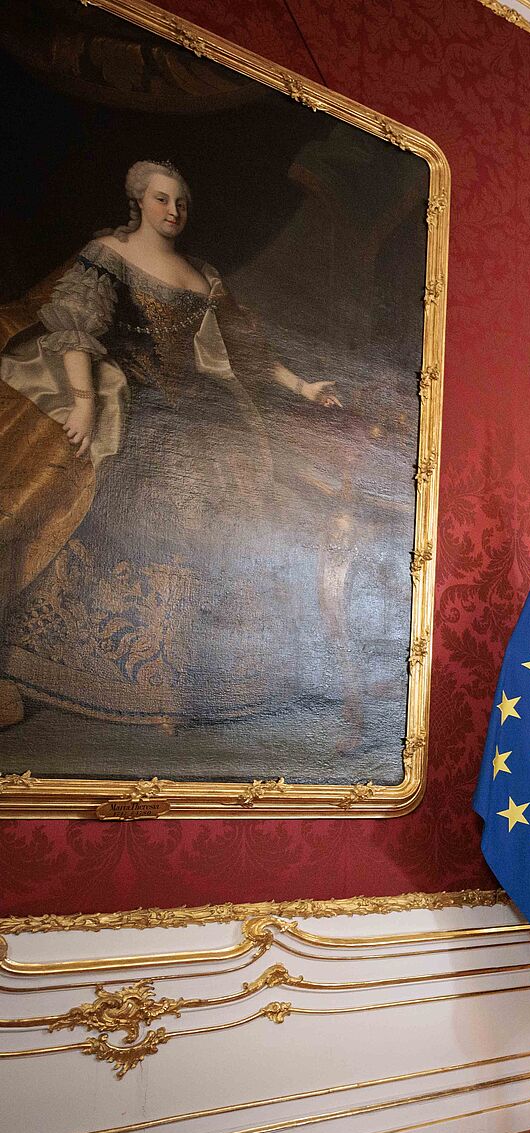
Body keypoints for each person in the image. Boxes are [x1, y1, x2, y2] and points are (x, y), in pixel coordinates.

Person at [0, 160, 344, 730]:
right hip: (135, 404)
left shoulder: (201, 274)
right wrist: (83, 401)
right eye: (162, 199)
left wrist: (304, 387)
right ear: (138, 200)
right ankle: (98, 672)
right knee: (144, 508)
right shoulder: (110, 253)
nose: (173, 211)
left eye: (180, 202)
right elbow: (76, 328)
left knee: (232, 513)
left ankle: (209, 678)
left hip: (200, 413)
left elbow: (246, 350)